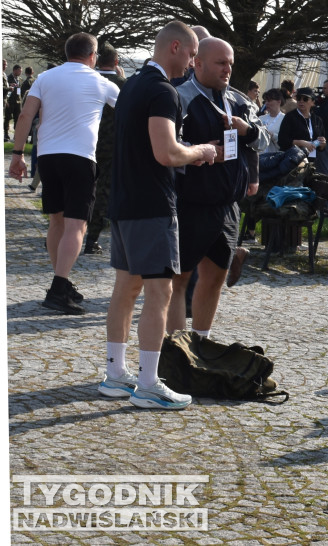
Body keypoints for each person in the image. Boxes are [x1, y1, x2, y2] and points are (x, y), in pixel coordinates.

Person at [102, 21, 217, 409]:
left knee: (126, 288)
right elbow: (166, 152)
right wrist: (200, 151)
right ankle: (149, 383)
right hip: (151, 205)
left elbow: (151, 145)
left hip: (124, 201)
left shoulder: (132, 85)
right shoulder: (163, 90)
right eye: (192, 54)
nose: (193, 62)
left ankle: (115, 375)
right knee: (160, 291)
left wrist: (184, 152)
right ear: (174, 47)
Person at [7, 33, 120, 315]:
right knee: (76, 225)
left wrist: (18, 155)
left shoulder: (45, 78)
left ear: (67, 53)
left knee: (56, 221)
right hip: (80, 157)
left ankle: (62, 281)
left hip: (48, 157)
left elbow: (25, 116)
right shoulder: (101, 82)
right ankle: (58, 288)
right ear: (93, 56)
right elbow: (130, 112)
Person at [165, 37, 265, 337]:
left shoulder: (239, 101)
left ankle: (201, 344)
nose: (227, 69)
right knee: (179, 280)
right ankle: (176, 350)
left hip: (228, 206)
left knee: (215, 279)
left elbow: (264, 141)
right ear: (198, 63)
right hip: (191, 204)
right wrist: (197, 152)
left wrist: (247, 131)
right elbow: (166, 146)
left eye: (230, 63)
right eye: (221, 63)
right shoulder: (179, 97)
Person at [84, 44, 127, 256]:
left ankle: (59, 233)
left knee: (80, 188)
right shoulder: (123, 84)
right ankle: (91, 239)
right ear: (116, 62)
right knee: (103, 192)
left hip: (85, 141)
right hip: (111, 145)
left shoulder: (87, 80)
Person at [277, 86, 326, 161]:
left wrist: (322, 144)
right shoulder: (290, 117)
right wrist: (301, 143)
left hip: (310, 159)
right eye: (299, 98)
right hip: (292, 160)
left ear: (313, 102)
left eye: (305, 99)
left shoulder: (317, 120)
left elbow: (321, 146)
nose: (301, 101)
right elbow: (282, 141)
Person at [258, 88, 285, 154]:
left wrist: (273, 135)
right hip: (260, 157)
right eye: (266, 101)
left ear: (279, 101)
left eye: (269, 101)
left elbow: (286, 143)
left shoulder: (285, 119)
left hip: (275, 157)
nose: (266, 103)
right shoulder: (260, 118)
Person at [4, 63, 22, 140]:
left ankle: (16, 134)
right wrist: (6, 101)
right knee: (7, 118)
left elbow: (20, 91)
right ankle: (6, 133)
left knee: (17, 119)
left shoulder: (19, 79)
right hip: (10, 101)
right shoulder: (8, 78)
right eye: (19, 71)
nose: (20, 72)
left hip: (17, 102)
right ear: (14, 70)